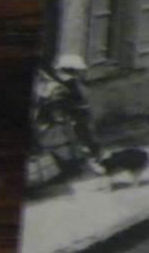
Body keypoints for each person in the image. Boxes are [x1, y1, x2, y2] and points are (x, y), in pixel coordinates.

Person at [29, 54, 101, 186]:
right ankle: (63, 172)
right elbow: (61, 108)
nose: (77, 74)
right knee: (62, 147)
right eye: (75, 71)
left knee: (59, 148)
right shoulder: (59, 87)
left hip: (49, 123)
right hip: (55, 123)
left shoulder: (49, 82)